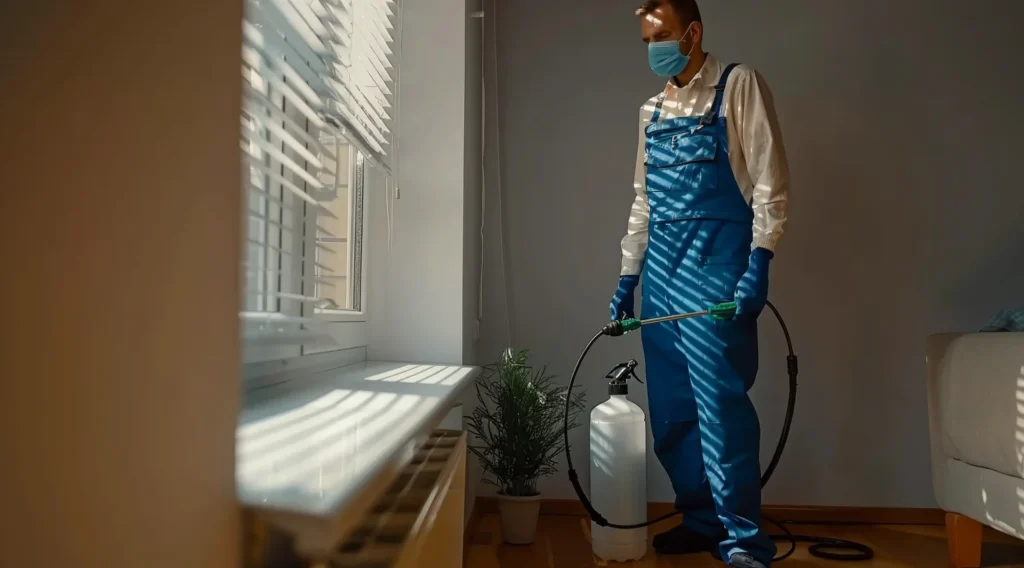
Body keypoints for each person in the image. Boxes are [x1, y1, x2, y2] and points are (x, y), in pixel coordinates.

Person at [608, 1, 790, 566]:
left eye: (661, 36)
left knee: (720, 411)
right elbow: (643, 200)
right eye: (645, 39)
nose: (653, 49)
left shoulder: (738, 86)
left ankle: (743, 539)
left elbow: (770, 183)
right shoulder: (652, 111)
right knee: (672, 413)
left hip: (715, 271)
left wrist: (759, 262)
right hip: (661, 273)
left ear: (693, 32)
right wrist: (627, 275)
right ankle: (703, 519)